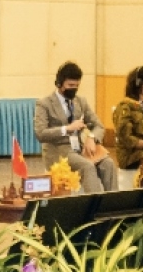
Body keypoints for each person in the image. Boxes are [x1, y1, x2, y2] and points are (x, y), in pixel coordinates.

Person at [33, 62, 117, 193]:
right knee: (87, 166)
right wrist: (67, 129)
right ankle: (94, 203)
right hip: (58, 151)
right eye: (70, 85)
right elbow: (40, 133)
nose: (74, 89)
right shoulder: (44, 103)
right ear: (59, 83)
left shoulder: (81, 101)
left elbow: (99, 125)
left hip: (80, 149)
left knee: (109, 163)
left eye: (77, 86)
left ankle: (114, 201)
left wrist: (92, 138)